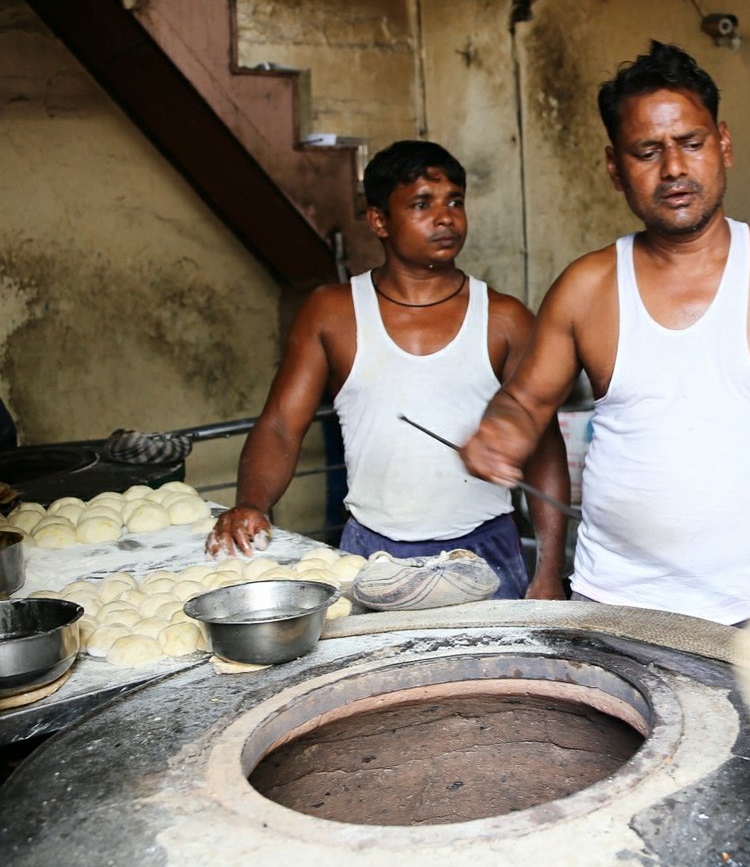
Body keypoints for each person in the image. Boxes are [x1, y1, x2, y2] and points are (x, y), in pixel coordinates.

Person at [461, 41, 750, 623]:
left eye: (691, 144)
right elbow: (525, 404)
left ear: (724, 144)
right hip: (614, 601)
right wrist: (498, 434)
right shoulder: (587, 288)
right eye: (647, 151)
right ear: (615, 168)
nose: (673, 169)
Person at [206, 140, 570, 600]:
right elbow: (280, 425)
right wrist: (251, 502)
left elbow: (544, 445)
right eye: (422, 204)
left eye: (454, 202)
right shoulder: (332, 313)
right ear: (379, 220)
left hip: (487, 551)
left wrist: (549, 570)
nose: (445, 218)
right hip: (371, 554)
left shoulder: (505, 319)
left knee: (491, 673)